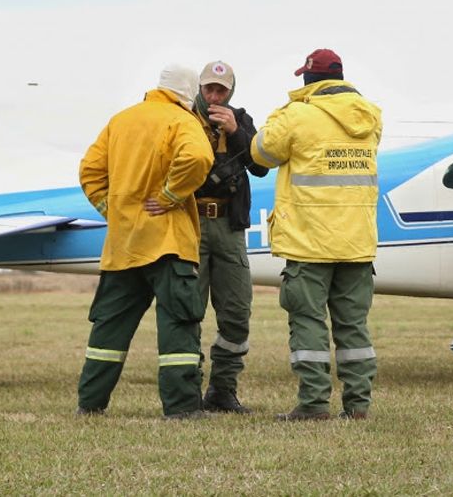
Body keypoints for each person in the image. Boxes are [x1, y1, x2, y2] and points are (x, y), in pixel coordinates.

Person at [249, 48, 383, 421]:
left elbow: (261, 153)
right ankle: (358, 405)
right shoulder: (370, 116)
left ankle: (314, 403)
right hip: (357, 242)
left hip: (309, 242)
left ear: (308, 79)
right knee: (353, 326)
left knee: (308, 322)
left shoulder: (297, 116)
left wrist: (281, 113)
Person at [76, 63, 215, 420]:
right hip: (168, 242)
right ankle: (181, 408)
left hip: (124, 244)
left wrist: (112, 210)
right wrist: (170, 195)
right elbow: (199, 157)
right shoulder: (182, 121)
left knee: (109, 328)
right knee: (178, 324)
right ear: (189, 92)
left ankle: (90, 404)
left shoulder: (121, 120)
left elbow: (89, 170)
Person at [188, 60, 269, 414]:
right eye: (209, 89)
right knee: (186, 310)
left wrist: (236, 131)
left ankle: (222, 390)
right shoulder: (184, 118)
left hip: (229, 228)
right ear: (199, 88)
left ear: (231, 91)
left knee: (237, 311)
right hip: (190, 227)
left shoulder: (242, 119)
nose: (214, 96)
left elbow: (261, 166)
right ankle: (186, 393)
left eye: (221, 90)